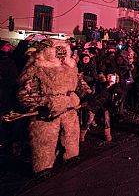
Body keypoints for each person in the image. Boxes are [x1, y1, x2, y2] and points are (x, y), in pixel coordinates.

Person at [16, 39, 91, 175]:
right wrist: (36, 106)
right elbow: (26, 90)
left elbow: (79, 82)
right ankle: (43, 167)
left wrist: (87, 94)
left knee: (72, 133)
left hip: (69, 106)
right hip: (48, 108)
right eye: (58, 54)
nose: (62, 57)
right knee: (45, 138)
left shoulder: (70, 66)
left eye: (63, 54)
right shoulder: (37, 67)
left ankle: (71, 155)